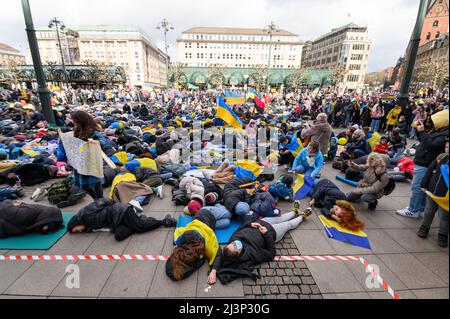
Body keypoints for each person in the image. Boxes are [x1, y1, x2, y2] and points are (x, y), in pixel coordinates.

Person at [218, 209, 311, 283]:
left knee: (281, 218)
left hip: (262, 222)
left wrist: (250, 224)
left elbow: (238, 229)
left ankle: (294, 211)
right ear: (238, 254)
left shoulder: (232, 239)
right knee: (288, 224)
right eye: (235, 246)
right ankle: (302, 217)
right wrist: (266, 234)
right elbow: (271, 254)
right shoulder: (252, 254)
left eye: (232, 243)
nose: (235, 242)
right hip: (272, 231)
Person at [397, 109, 449, 218]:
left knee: (417, 187)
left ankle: (413, 210)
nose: (433, 122)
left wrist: (422, 132)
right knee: (420, 187)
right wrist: (419, 130)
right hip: (424, 161)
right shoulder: (439, 130)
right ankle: (419, 209)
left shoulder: (445, 133)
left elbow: (431, 145)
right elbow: (424, 140)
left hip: (426, 163)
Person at [68, 198, 176, 241]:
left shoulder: (86, 213)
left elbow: (105, 201)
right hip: (116, 221)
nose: (80, 231)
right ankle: (140, 220)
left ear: (76, 223)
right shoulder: (87, 226)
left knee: (140, 227)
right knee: (118, 236)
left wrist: (116, 206)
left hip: (121, 211)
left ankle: (164, 221)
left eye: (77, 230)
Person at [57, 111, 107, 199]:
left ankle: (100, 201)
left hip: (91, 161)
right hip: (80, 161)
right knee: (83, 185)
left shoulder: (92, 131)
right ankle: (96, 200)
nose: (73, 122)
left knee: (96, 183)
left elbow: (103, 140)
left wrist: (96, 142)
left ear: (81, 120)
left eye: (75, 120)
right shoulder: (77, 130)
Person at [166, 209, 222, 284]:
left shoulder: (208, 240)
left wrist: (214, 271)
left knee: (226, 220)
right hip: (198, 215)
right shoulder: (182, 239)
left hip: (210, 215)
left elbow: (218, 253)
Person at [417, 140, 449, 248]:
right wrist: (424, 184)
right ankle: (424, 228)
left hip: (446, 197)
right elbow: (430, 170)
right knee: (429, 211)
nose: (448, 149)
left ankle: (443, 235)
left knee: (444, 216)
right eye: (447, 147)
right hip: (432, 191)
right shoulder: (441, 157)